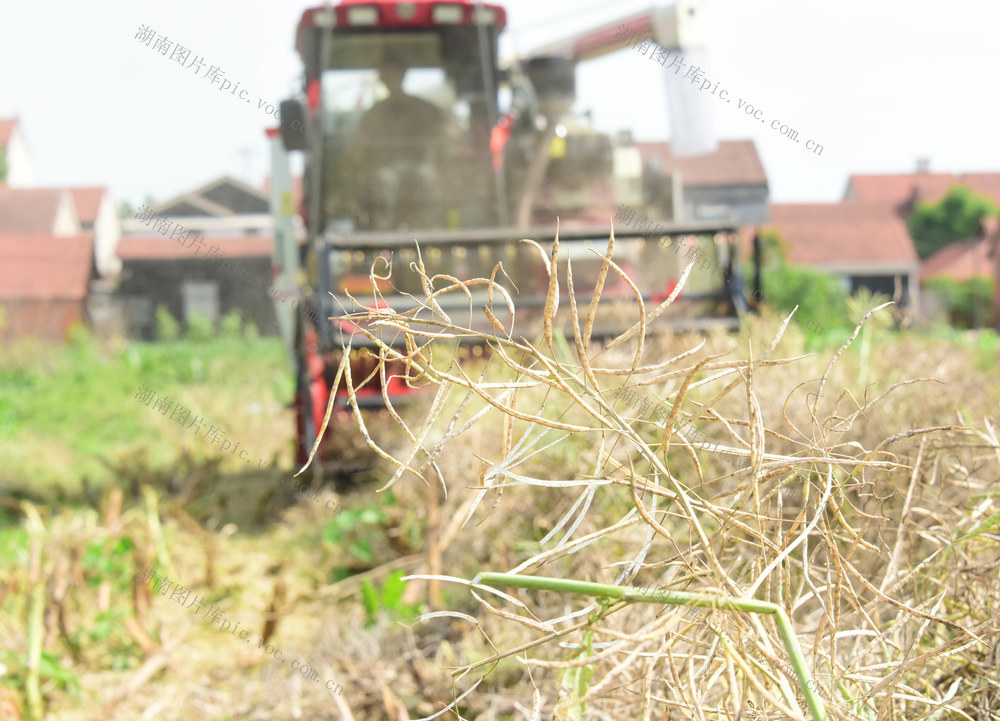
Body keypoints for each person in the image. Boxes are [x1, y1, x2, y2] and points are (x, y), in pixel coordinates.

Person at [350, 53, 448, 229]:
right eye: (386, 75)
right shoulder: (373, 114)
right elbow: (362, 147)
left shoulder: (425, 109)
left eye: (394, 74)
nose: (390, 79)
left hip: (420, 166)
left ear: (403, 74)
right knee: (385, 180)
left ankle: (432, 229)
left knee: (429, 176)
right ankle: (385, 230)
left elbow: (437, 141)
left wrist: (432, 160)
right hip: (387, 169)